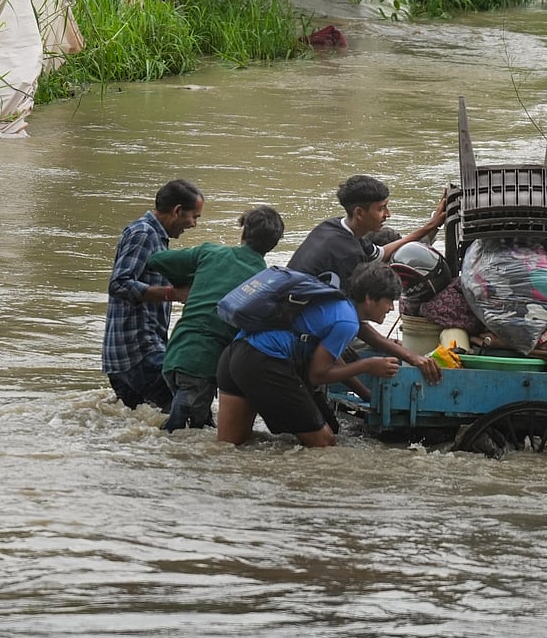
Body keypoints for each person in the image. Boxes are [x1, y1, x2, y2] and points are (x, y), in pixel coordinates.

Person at [215, 263, 403, 447]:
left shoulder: (335, 304)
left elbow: (332, 360)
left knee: (230, 446)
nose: (391, 308)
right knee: (325, 442)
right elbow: (317, 375)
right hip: (263, 361)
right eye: (389, 301)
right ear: (370, 298)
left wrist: (365, 394)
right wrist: (368, 365)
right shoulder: (348, 322)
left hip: (236, 353)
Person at [287, 175, 444, 383]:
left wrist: (430, 226)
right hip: (298, 329)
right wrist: (410, 356)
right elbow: (355, 320)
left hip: (307, 317)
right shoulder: (346, 255)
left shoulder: (335, 227)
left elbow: (381, 254)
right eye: (381, 208)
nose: (387, 214)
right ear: (359, 213)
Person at [146, 206, 285, 432]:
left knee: (195, 426)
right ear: (274, 244)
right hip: (203, 363)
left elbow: (157, 260)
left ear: (243, 232)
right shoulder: (264, 282)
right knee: (181, 432)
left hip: (175, 351)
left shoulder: (209, 253)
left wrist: (187, 284)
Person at [101, 179, 204, 411]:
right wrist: (173, 294)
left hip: (122, 356)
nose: (194, 224)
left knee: (145, 425)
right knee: (193, 413)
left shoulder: (151, 235)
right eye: (194, 217)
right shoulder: (144, 233)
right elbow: (119, 284)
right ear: (177, 211)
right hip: (139, 351)